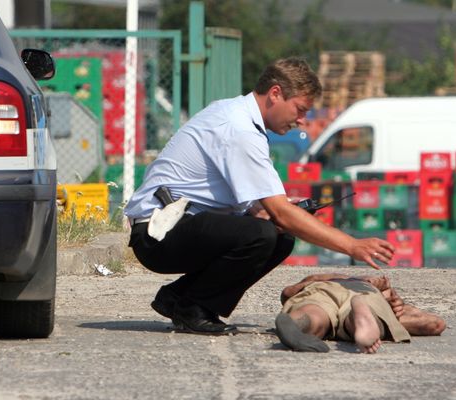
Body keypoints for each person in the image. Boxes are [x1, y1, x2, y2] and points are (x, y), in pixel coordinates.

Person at [124, 57, 395, 335]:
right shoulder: (239, 129)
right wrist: (352, 246)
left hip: (177, 225)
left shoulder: (237, 115)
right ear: (275, 93)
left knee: (278, 235)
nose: (302, 121)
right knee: (262, 234)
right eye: (300, 110)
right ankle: (193, 307)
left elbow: (261, 206)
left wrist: (268, 213)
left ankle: (179, 297)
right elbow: (280, 211)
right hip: (157, 234)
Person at [276, 273, 446, 354]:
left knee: (313, 313)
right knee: (372, 314)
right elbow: (435, 324)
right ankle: (363, 317)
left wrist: (396, 304)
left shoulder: (320, 279)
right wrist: (395, 309)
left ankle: (296, 323)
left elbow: (287, 293)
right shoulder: (374, 286)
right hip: (365, 294)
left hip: (322, 290)